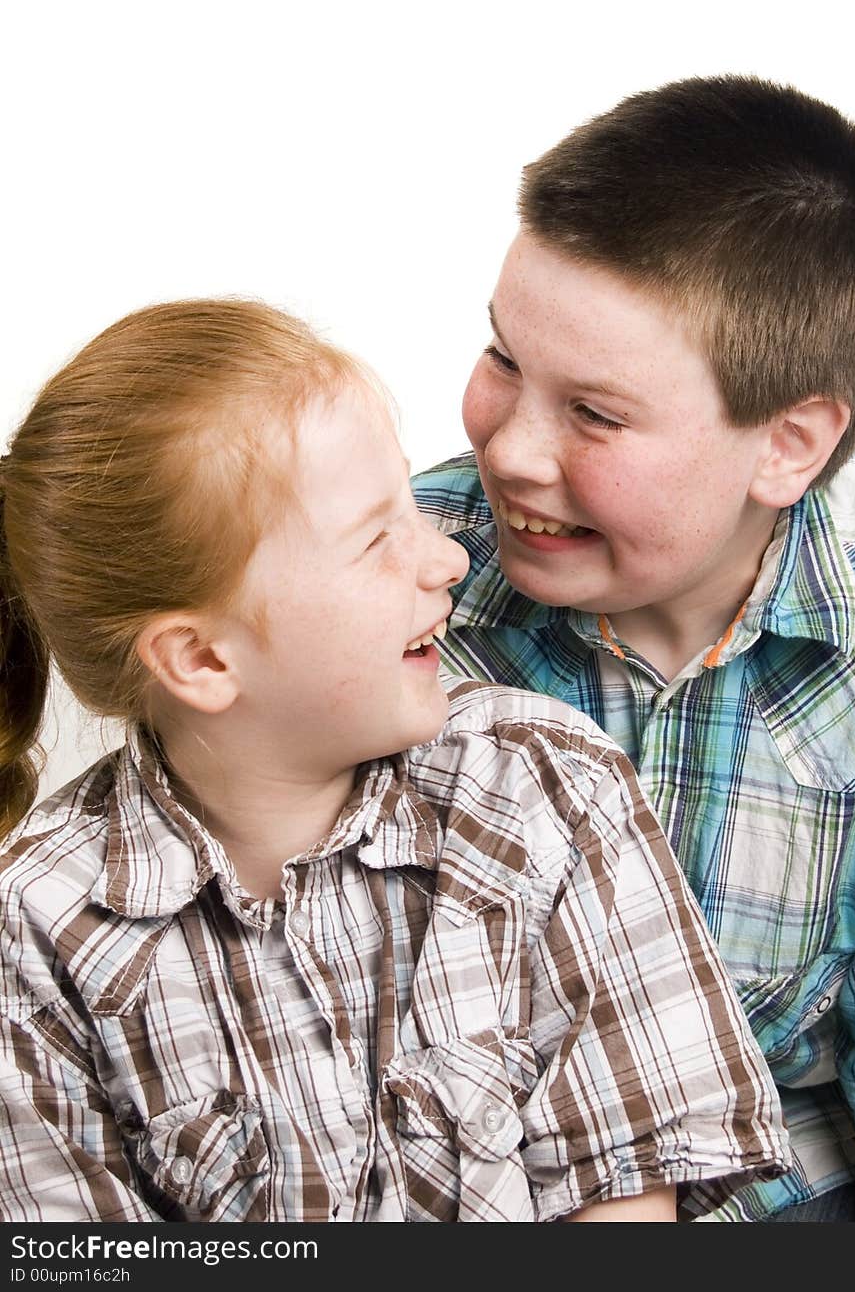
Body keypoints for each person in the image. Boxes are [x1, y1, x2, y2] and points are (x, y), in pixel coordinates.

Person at [0, 300, 786, 1222]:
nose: (447, 558)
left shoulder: (544, 784)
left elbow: (626, 1189)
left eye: (414, 508)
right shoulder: (37, 933)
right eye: (378, 541)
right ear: (202, 659)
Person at [412, 75, 855, 1222]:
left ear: (787, 445)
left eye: (596, 414)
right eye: (504, 358)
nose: (512, 451)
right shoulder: (402, 594)